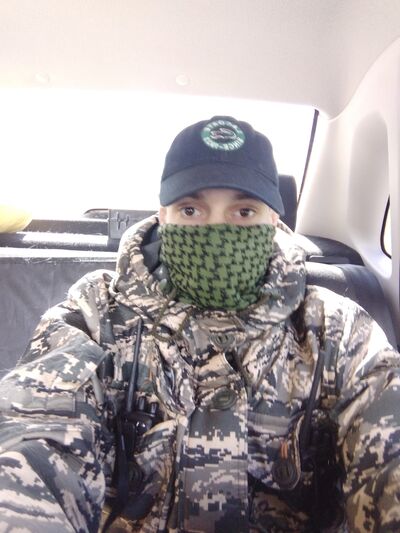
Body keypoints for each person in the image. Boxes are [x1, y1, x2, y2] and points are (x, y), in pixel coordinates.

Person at [0, 116, 399, 533]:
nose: (217, 229)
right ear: (163, 216)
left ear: (273, 221)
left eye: (244, 211)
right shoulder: (95, 314)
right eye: (191, 210)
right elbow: (36, 434)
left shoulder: (335, 329)